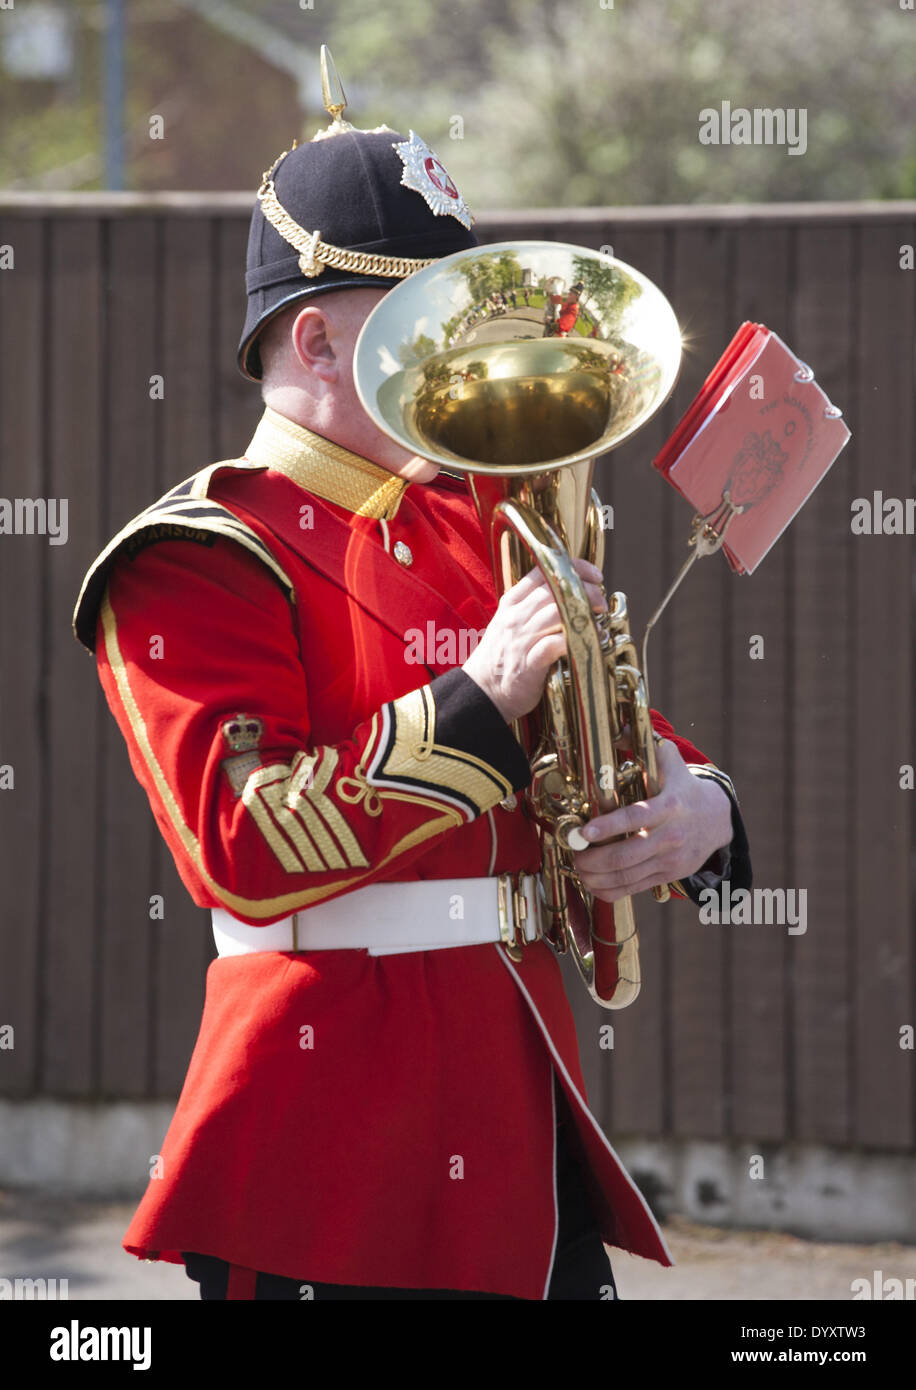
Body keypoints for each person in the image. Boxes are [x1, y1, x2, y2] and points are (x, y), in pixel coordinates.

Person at [72, 66, 750, 1301]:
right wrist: (481, 697)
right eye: (423, 326)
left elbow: (598, 716)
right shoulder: (200, 553)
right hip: (324, 1147)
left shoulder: (472, 517)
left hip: (523, 1112)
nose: (467, 366)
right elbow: (239, 838)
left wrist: (698, 803)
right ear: (319, 336)